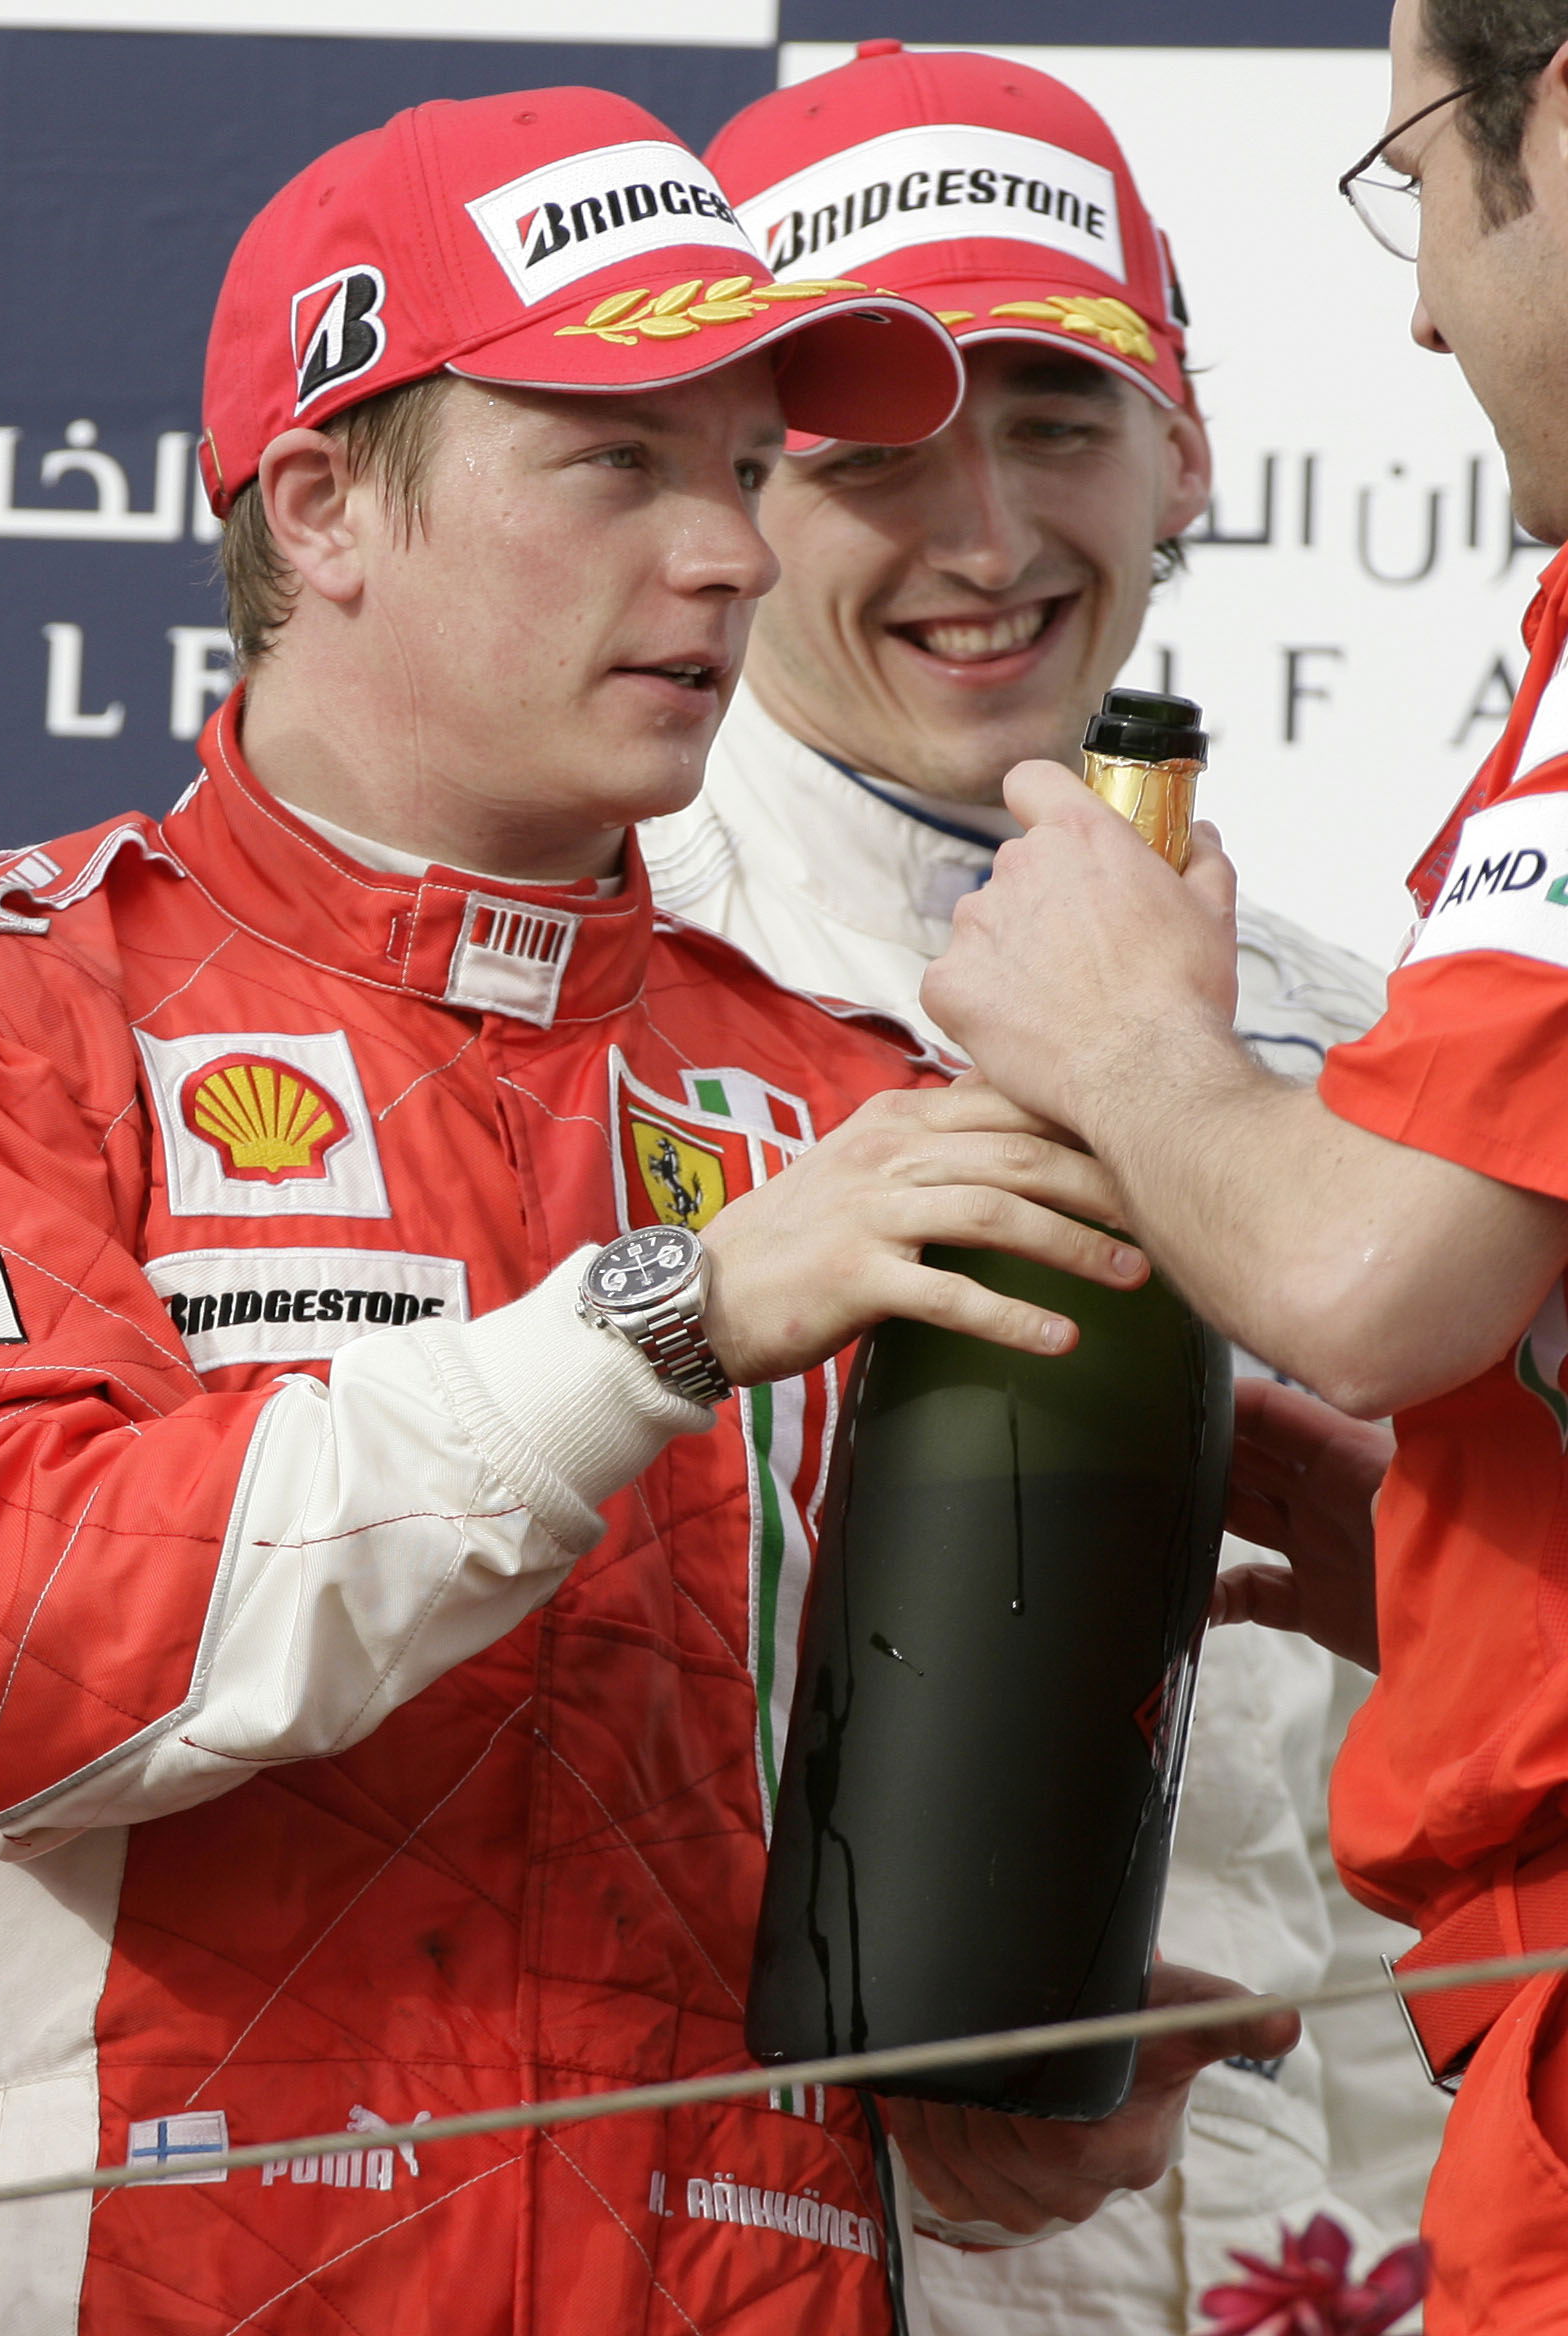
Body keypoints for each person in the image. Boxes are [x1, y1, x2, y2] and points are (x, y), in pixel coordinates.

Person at [0, 87, 1292, 2335]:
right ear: (321, 505)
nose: (721, 553)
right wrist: (663, 1313)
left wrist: (1002, 2067)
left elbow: (895, 1900)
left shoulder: (866, 1098)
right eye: (616, 462)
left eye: (732, 467)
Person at [639, 44, 1446, 2325]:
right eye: (875, 453)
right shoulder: (601, 1007)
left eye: (1064, 424)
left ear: (1187, 454)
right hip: (813, 2251)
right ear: (731, 493)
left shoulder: (1388, 1044)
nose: (988, 534)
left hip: (1367, 2254)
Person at [916, 3, 1568, 2325]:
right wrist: (1443, 1583)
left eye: (1413, 174)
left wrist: (1123, 1045)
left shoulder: (1268, 1002)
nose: (1411, 301)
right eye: (872, 441)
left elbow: (1381, 1281)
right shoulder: (607, 1003)